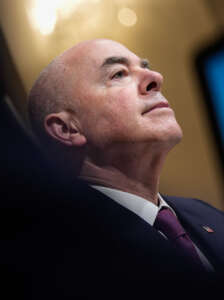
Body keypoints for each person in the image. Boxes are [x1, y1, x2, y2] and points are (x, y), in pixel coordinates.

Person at [27, 39, 224, 280]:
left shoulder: (206, 214)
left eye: (145, 66)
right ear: (67, 129)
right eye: (118, 74)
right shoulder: (61, 263)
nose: (156, 77)